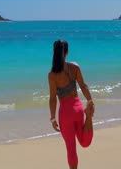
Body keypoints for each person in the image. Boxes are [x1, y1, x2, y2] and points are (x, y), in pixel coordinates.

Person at [48, 39, 95, 169]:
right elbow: (83, 86)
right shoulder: (75, 67)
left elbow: (52, 98)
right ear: (67, 52)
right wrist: (90, 100)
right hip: (78, 109)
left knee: (71, 148)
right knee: (84, 142)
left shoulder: (52, 75)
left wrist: (52, 118)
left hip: (65, 113)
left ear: (54, 52)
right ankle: (89, 117)